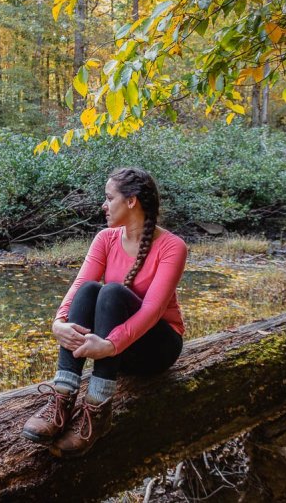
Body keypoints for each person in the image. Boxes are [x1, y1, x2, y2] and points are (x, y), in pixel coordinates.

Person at [21, 167, 188, 458]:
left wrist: (110, 345)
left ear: (132, 201)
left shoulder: (173, 247)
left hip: (156, 347)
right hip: (115, 348)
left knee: (111, 291)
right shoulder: (105, 239)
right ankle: (63, 396)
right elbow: (80, 285)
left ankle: (98, 409)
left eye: (109, 198)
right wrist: (59, 322)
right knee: (91, 291)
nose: (104, 205)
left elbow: (152, 310)